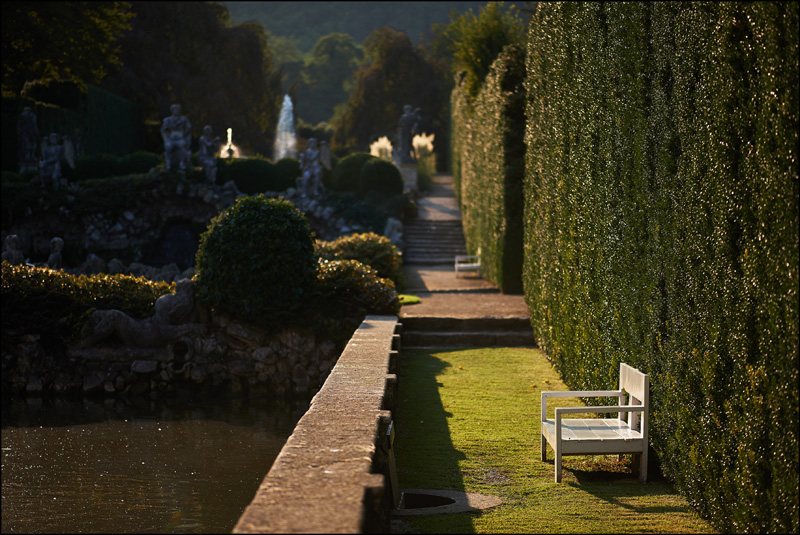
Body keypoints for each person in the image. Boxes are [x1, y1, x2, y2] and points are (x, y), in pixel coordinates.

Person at [161, 104, 192, 172]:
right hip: (171, 137)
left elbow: (189, 127)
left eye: (178, 109)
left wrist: (184, 134)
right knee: (168, 146)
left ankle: (182, 162)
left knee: (182, 144)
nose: (176, 111)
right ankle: (168, 163)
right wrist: (167, 136)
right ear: (172, 110)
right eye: (175, 109)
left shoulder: (183, 119)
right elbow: (164, 129)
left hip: (180, 136)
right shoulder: (167, 119)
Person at [17, 107, 40, 173]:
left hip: (28, 134)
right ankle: (29, 156)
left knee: (30, 146)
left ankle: (30, 156)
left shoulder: (30, 117)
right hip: (27, 134)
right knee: (28, 146)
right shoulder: (30, 116)